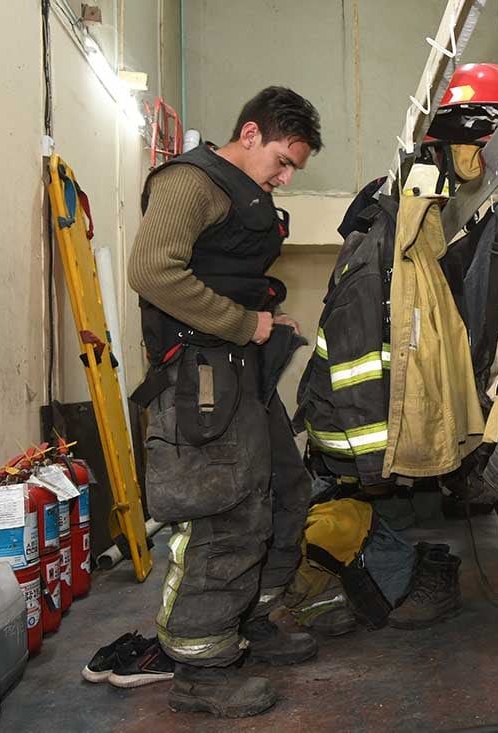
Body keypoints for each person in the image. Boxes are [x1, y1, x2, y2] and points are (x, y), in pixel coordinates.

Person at [128, 86, 322, 718]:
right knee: (223, 513)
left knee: (285, 491)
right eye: (283, 161)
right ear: (248, 135)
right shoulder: (191, 182)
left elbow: (221, 272)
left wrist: (266, 316)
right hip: (200, 378)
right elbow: (154, 272)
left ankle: (249, 624)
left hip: (241, 372)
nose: (286, 177)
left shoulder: (245, 194)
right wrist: (244, 324)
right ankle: (201, 668)